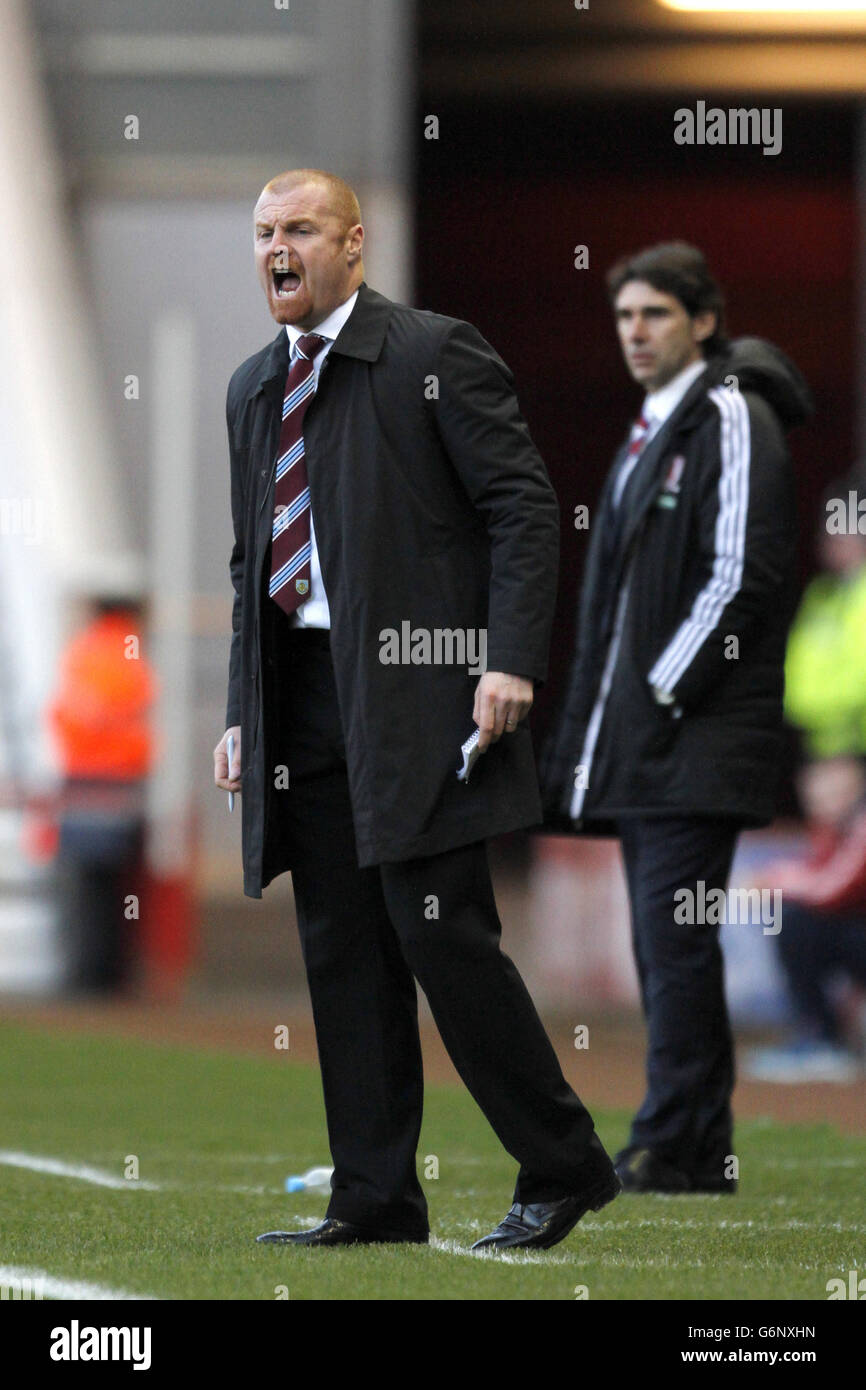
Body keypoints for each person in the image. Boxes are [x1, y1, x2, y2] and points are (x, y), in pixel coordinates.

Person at [213, 168, 619, 1251]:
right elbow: (255, 557)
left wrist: (507, 659)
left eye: (298, 228)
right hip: (303, 710)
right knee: (342, 955)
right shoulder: (253, 387)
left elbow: (522, 508)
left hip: (422, 705)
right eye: (261, 233)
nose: (276, 249)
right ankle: (374, 1197)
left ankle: (563, 1162)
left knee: (443, 943)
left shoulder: (431, 354)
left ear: (354, 242)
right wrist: (239, 712)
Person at [542, 242, 812, 1194]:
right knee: (664, 942)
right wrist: (589, 736)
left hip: (694, 736)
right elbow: (610, 608)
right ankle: (691, 1141)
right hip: (651, 743)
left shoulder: (732, 415)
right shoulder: (650, 427)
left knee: (674, 939)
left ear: (704, 320)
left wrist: (658, 694)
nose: (636, 334)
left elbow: (743, 573)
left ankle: (680, 1139)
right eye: (624, 317)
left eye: (655, 314)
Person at [47, 593, 156, 991]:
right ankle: (107, 974)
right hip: (118, 783)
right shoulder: (126, 651)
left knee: (88, 882)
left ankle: (88, 973)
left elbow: (63, 713)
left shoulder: (84, 650)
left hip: (82, 781)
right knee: (113, 884)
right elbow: (134, 708)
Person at [745, 757, 866, 1083]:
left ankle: (822, 1041)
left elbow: (834, 888)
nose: (817, 802)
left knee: (797, 923)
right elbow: (820, 873)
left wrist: (772, 881)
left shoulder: (861, 824)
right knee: (799, 922)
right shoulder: (836, 830)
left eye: (827, 791)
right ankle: (820, 1038)